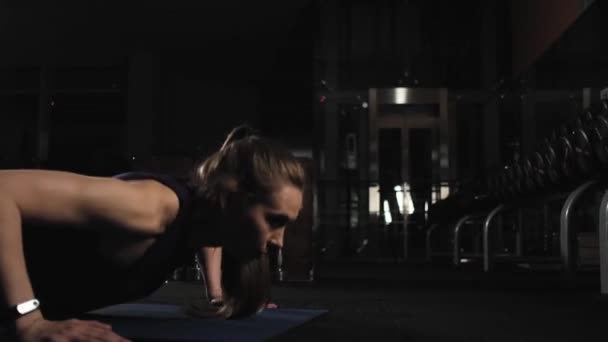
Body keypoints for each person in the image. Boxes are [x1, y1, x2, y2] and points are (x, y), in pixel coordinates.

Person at [0, 125, 305, 341]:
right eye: (274, 220)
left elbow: (211, 240)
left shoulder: (203, 225)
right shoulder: (150, 205)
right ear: (231, 197)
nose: (279, 240)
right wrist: (29, 321)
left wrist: (216, 295)